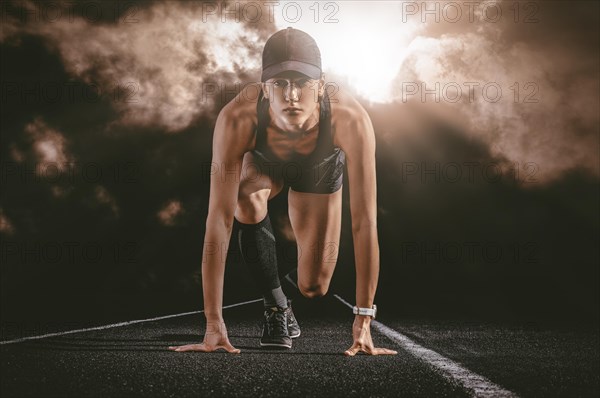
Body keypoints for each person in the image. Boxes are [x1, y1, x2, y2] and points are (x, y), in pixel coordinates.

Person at [169, 27, 397, 356]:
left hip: (319, 169)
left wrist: (363, 320)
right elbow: (219, 220)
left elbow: (364, 222)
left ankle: (288, 292)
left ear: (320, 87)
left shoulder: (349, 119)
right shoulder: (238, 117)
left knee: (314, 286)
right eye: (280, 83)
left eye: (302, 83)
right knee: (243, 198)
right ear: (265, 88)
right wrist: (213, 323)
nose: (291, 95)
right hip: (265, 164)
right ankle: (276, 307)